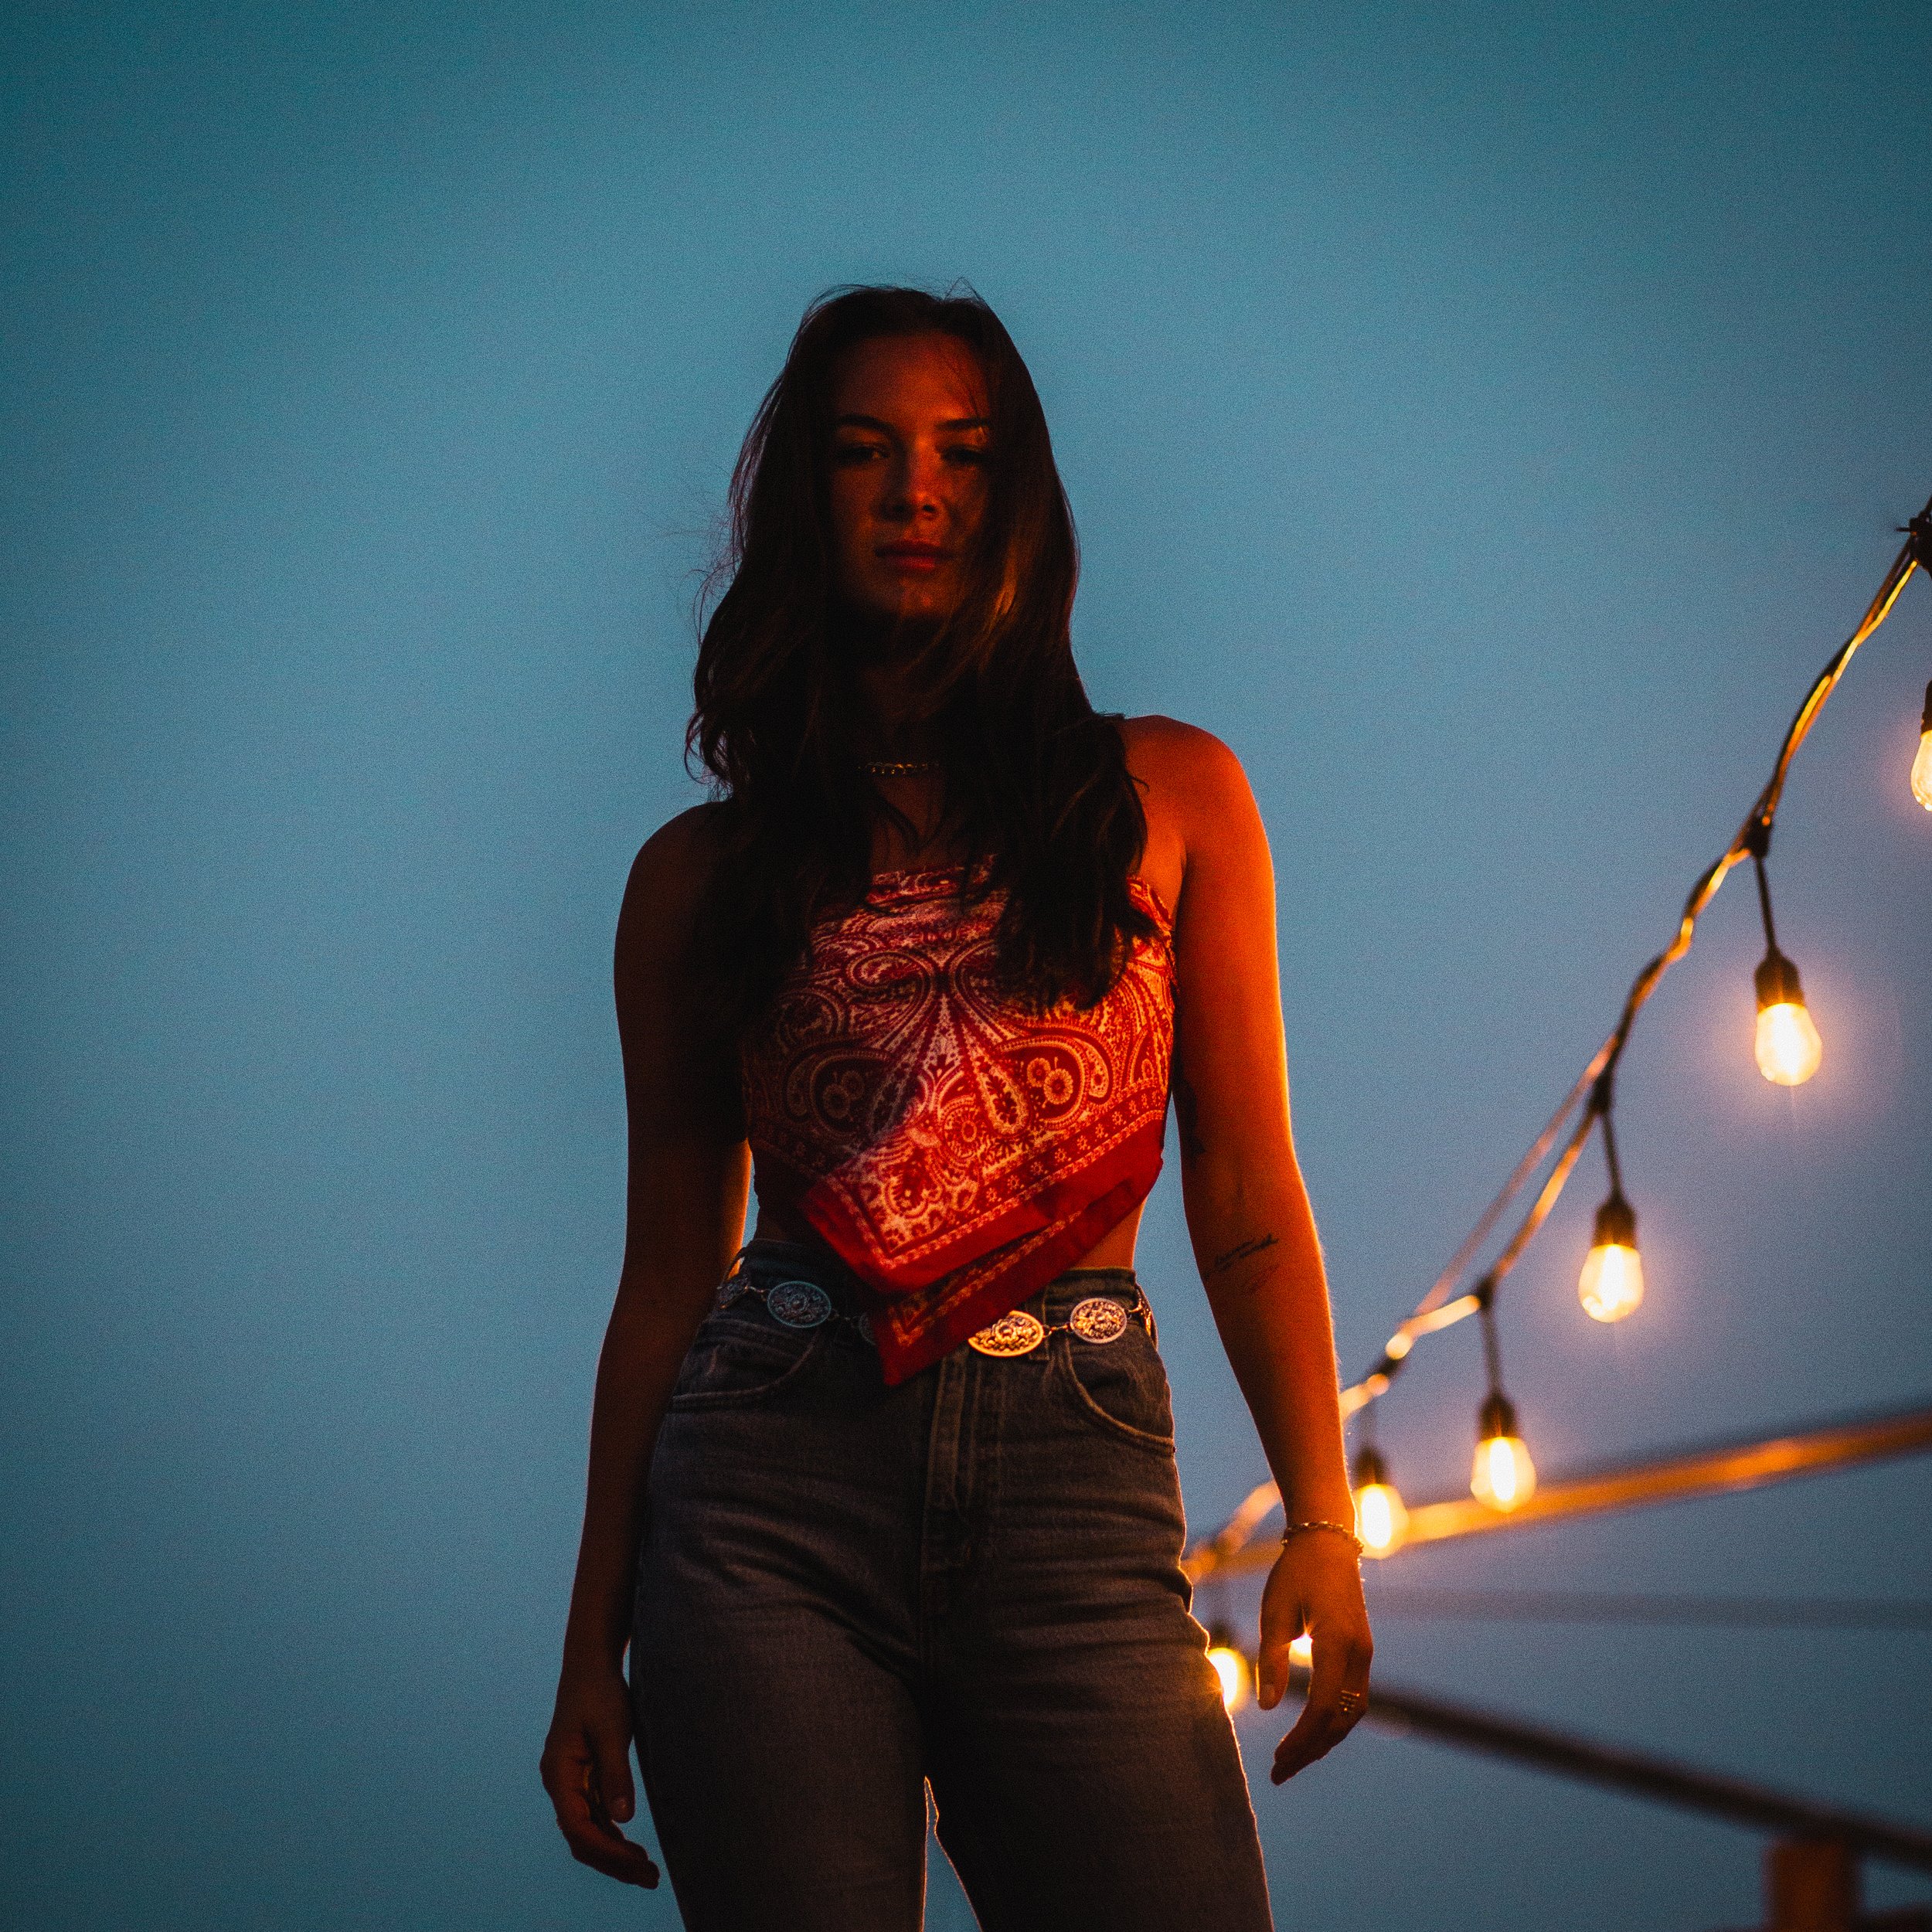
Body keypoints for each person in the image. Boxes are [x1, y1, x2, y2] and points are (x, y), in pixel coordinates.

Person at [539, 284, 1372, 1930]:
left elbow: (1249, 1200)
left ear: (1016, 499)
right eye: (863, 452)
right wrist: (587, 1643)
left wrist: (1329, 1521)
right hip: (766, 1496)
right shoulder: (694, 880)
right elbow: (661, 1277)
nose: (913, 489)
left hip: (1079, 1495)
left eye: (959, 454)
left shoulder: (1171, 795)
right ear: (803, 504)